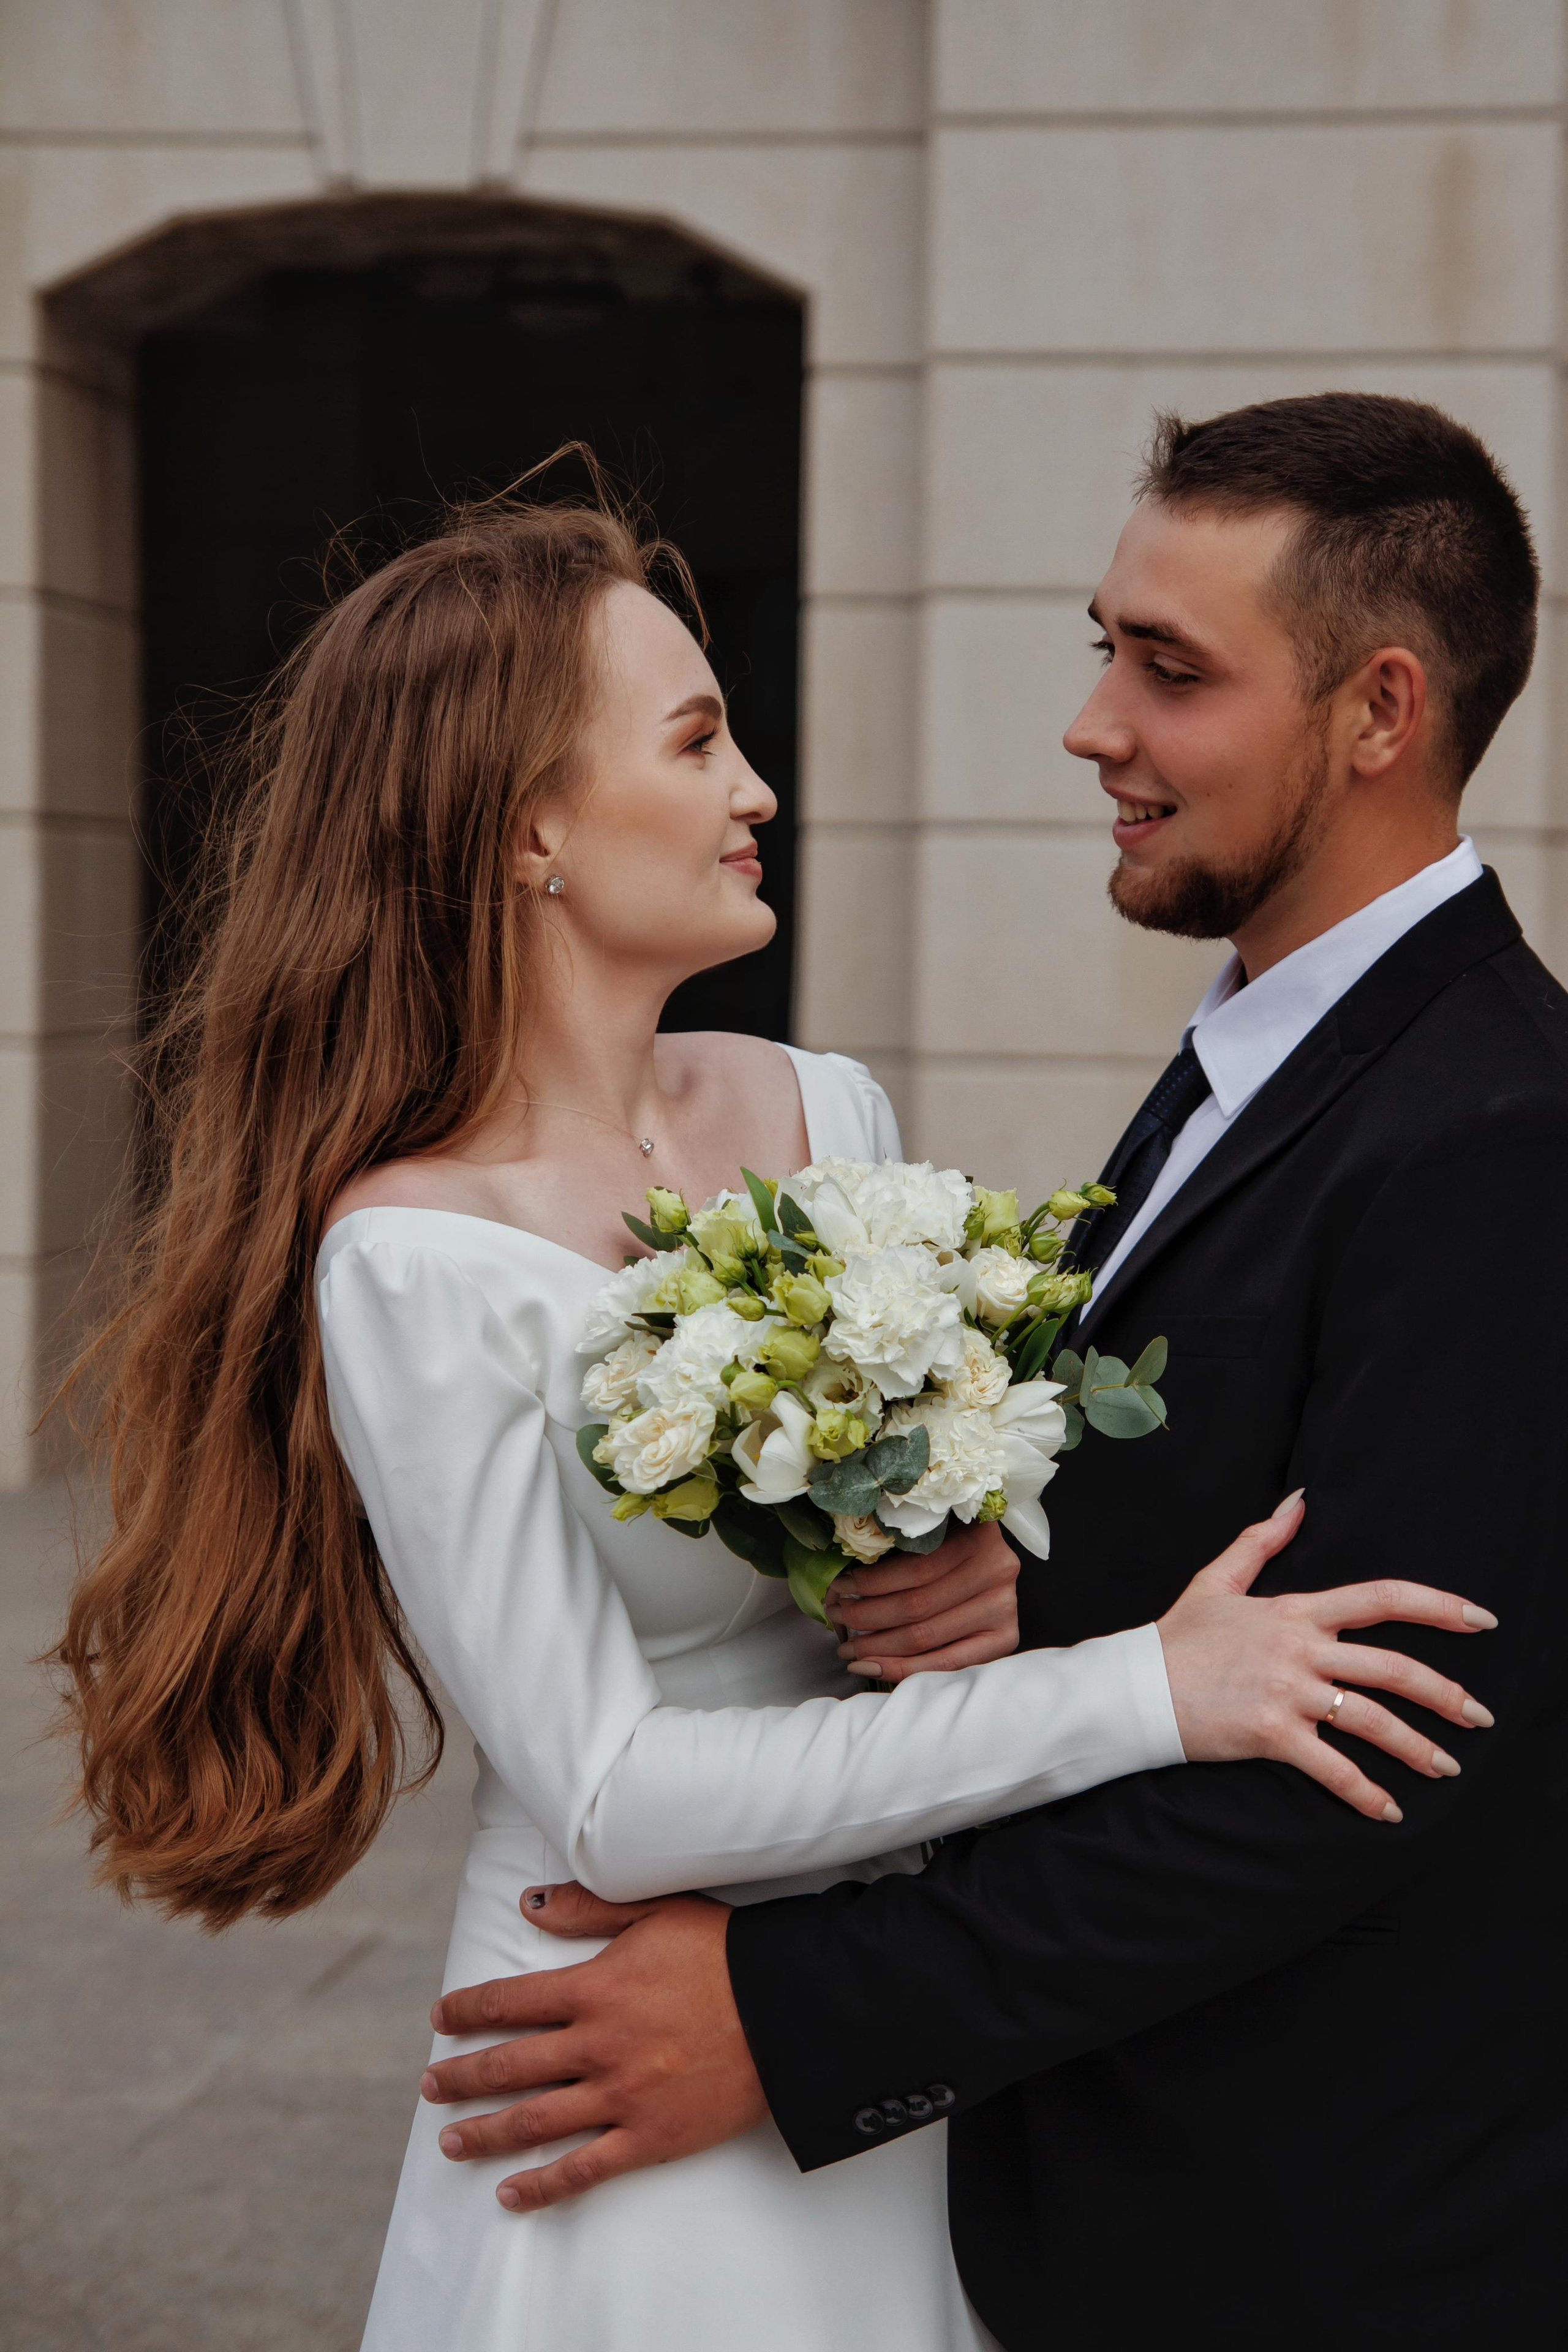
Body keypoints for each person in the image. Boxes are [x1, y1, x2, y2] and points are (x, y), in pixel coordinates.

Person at [54, 470, 1492, 2352]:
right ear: (529, 826)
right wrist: (1146, 1686)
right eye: (696, 740)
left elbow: (935, 1561)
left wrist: (1001, 1577)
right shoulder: (412, 1260)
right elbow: (613, 1799)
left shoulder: (826, 1111)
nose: (757, 789)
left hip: (878, 2029)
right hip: (619, 2035)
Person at [418, 395, 1568, 2350]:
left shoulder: (1503, 1128)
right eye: (1103, 647)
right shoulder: (1259, 1057)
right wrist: (1040, 1585)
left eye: (1170, 671)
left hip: (1311, 2242)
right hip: (1098, 2186)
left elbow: (1381, 1751)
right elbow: (1248, 1508)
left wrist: (789, 2015)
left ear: (1382, 711)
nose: (1093, 724)